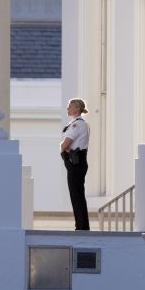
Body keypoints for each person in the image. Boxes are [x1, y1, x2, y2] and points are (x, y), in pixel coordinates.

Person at [60, 97, 90, 230]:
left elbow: (65, 144)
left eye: (70, 106)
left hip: (76, 161)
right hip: (76, 161)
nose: (67, 109)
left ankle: (81, 226)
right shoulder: (78, 123)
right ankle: (81, 225)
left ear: (77, 108)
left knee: (76, 195)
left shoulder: (78, 124)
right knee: (76, 195)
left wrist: (63, 146)